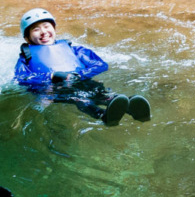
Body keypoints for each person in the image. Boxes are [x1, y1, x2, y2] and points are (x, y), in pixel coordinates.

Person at [14, 8, 150, 126]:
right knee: (80, 98)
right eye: (36, 29)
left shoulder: (74, 50)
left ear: (54, 29)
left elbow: (100, 64)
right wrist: (51, 76)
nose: (43, 32)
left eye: (46, 26)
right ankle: (102, 116)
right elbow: (21, 78)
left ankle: (127, 106)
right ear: (27, 38)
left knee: (101, 92)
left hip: (80, 80)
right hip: (53, 90)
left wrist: (80, 75)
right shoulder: (26, 57)